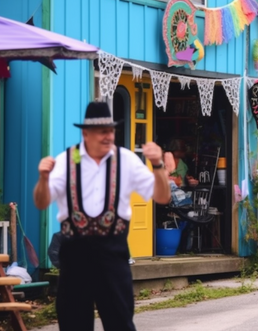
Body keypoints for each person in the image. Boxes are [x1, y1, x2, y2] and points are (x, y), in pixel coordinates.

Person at [33, 102, 171, 331]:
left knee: (120, 322)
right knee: (73, 323)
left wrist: (157, 165)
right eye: (102, 131)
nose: (108, 136)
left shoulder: (125, 159)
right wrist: (44, 178)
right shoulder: (68, 160)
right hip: (74, 256)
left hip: (113, 254)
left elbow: (162, 197)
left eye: (111, 130)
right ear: (86, 133)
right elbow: (41, 202)